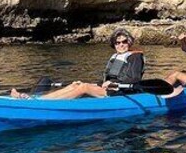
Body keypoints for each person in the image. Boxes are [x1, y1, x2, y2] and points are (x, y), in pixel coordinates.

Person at [10, 28, 144, 99]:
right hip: (111, 89)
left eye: (124, 42)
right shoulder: (116, 56)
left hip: (123, 92)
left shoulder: (135, 56)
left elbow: (133, 78)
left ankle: (38, 102)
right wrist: (99, 83)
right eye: (117, 42)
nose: (121, 45)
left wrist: (113, 83)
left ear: (129, 42)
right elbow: (107, 79)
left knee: (83, 88)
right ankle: (36, 99)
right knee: (76, 85)